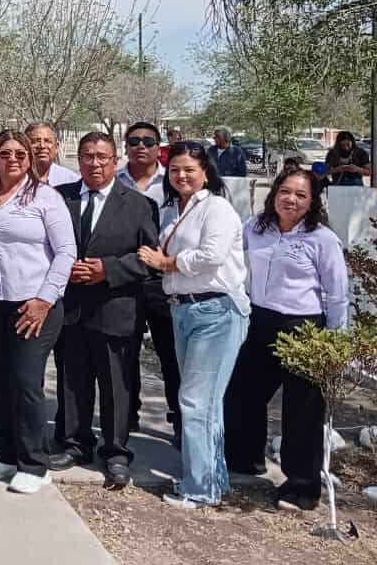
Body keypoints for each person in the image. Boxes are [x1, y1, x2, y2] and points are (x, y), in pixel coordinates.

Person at [225, 165, 349, 510]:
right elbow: (229, 254)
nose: (290, 200)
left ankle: (302, 487)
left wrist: (335, 342)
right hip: (259, 320)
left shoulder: (322, 239)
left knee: (302, 410)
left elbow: (338, 294)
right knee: (243, 393)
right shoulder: (256, 227)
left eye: (300, 195)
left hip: (303, 327)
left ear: (312, 202)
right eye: (285, 191)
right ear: (274, 194)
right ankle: (244, 459)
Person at [0, 129, 75, 495]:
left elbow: (66, 252)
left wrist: (45, 299)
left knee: (25, 382)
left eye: (20, 154)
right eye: (5, 153)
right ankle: (6, 454)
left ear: (29, 158)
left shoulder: (46, 198)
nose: (12, 159)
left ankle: (34, 464)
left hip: (34, 305)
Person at [138, 142, 249, 510]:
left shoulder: (217, 208)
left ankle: (199, 488)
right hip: (183, 310)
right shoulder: (174, 210)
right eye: (174, 170)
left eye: (189, 169)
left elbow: (211, 256)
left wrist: (166, 263)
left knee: (195, 402)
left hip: (215, 311)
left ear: (205, 172)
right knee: (205, 403)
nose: (181, 176)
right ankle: (212, 480)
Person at [48, 132, 158, 490]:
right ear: (78, 160)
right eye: (87, 156)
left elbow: (149, 261)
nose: (94, 163)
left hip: (115, 309)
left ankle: (115, 452)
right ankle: (74, 443)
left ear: (115, 161)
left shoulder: (139, 205)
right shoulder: (59, 198)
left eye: (102, 157)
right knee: (72, 381)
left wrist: (107, 270)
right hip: (70, 309)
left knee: (116, 387)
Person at [116, 122, 179, 440]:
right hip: (123, 276)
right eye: (134, 141)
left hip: (162, 280)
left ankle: (179, 422)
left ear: (158, 146)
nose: (141, 146)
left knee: (171, 355)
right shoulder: (114, 180)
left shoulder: (173, 182)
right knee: (124, 354)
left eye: (148, 141)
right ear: (126, 145)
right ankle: (126, 417)